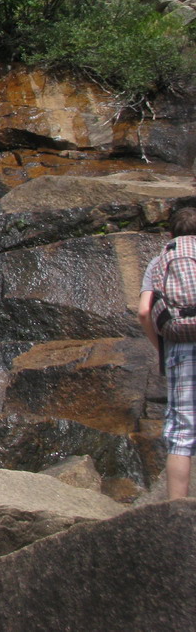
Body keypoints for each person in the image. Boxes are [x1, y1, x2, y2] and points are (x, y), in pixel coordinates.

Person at [138, 205, 196, 500]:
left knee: (182, 435)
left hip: (179, 348)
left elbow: (144, 311)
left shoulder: (161, 260)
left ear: (171, 234)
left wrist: (160, 348)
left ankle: (178, 516)